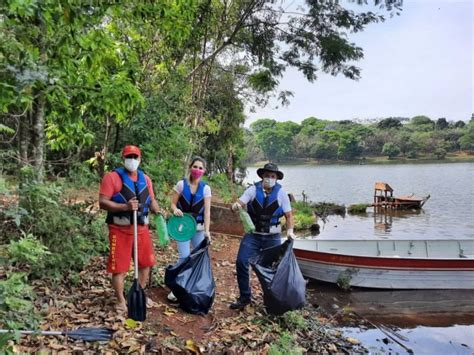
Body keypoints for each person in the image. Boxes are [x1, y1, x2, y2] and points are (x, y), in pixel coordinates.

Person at [99, 145, 160, 314]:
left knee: (145, 264)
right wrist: (124, 206)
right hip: (120, 229)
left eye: (135, 157)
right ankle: (121, 300)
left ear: (140, 159)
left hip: (141, 229)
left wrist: (158, 211)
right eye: (129, 156)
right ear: (123, 158)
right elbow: (102, 202)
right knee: (119, 267)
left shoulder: (145, 179)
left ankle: (138, 292)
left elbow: (151, 200)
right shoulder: (112, 178)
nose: (132, 160)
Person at [229, 162, 296, 310]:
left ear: (276, 179)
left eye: (273, 176)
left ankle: (272, 300)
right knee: (241, 262)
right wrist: (236, 206)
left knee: (272, 269)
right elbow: (241, 202)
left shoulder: (281, 194)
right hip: (253, 236)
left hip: (273, 237)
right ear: (262, 176)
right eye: (267, 175)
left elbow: (289, 216)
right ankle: (245, 297)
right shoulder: (253, 190)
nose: (269, 178)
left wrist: (290, 230)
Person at [168, 156, 212, 302]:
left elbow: (207, 211)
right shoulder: (181, 184)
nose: (197, 170)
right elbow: (172, 204)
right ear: (190, 168)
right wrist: (175, 210)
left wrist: (207, 230)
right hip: (183, 227)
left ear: (204, 171)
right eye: (195, 167)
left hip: (198, 228)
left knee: (198, 256)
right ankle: (177, 289)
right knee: (184, 257)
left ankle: (194, 286)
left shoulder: (205, 189)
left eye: (200, 168)